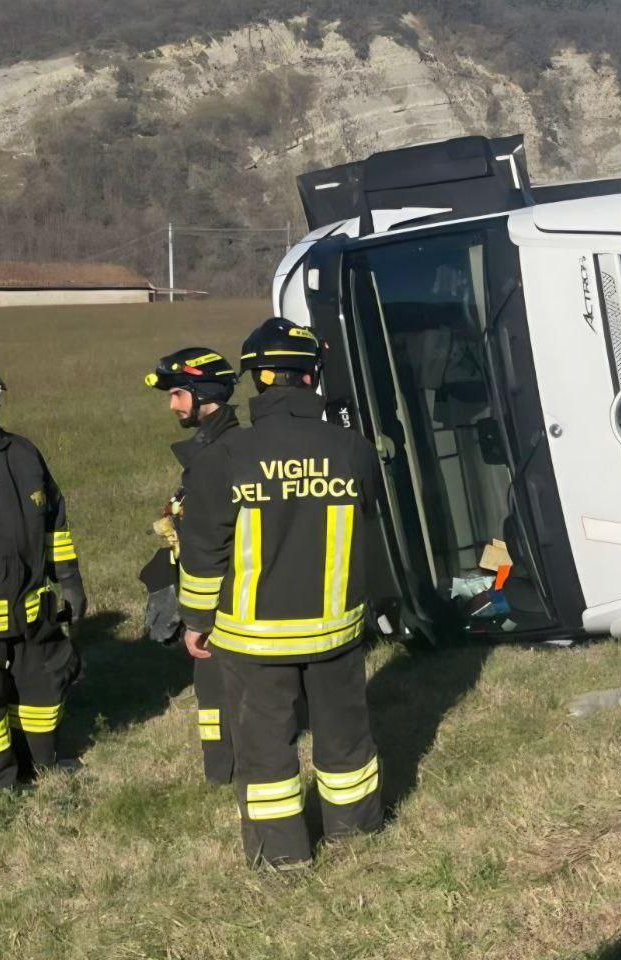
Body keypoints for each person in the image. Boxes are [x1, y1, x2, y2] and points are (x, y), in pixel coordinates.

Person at [178, 318, 384, 867]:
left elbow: (203, 551)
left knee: (266, 750)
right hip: (335, 633)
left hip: (253, 641)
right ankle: (356, 834)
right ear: (313, 377)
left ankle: (281, 855)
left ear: (256, 380)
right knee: (344, 740)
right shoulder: (352, 449)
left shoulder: (225, 457)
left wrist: (196, 620)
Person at [0, 354, 85, 796]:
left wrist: (68, 578)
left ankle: (42, 764)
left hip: (32, 608)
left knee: (42, 694)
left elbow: (54, 520)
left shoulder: (24, 453)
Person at [141, 348, 240, 784]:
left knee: (218, 689)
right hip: (220, 596)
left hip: (224, 601)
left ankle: (225, 772)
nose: (173, 404)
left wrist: (197, 616)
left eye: (178, 393)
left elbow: (210, 541)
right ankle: (223, 768)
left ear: (206, 395)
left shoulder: (221, 455)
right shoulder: (214, 447)